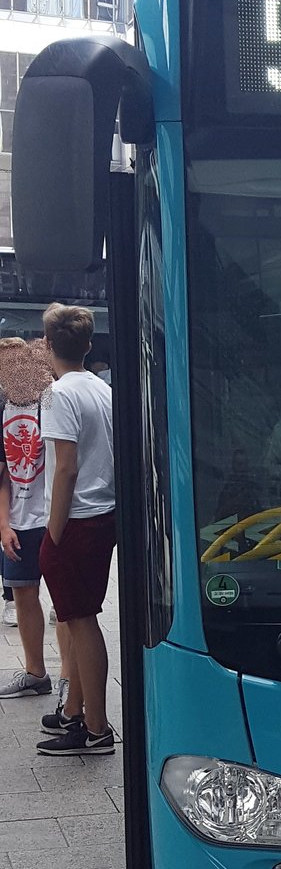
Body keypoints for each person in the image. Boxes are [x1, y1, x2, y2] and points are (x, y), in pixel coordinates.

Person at [34, 305, 116, 756]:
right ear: (87, 345)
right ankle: (75, 710)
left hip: (77, 519)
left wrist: (54, 531)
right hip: (103, 515)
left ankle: (97, 728)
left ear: (48, 345)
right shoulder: (101, 389)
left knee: (81, 623)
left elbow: (65, 469)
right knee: (80, 616)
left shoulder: (58, 395)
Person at [0, 338, 59, 699]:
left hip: (53, 516)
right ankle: (36, 672)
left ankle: (70, 679)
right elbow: (2, 473)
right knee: (23, 594)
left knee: (65, 603)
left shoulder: (51, 401)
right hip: (18, 520)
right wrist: (3, 524)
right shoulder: (1, 407)